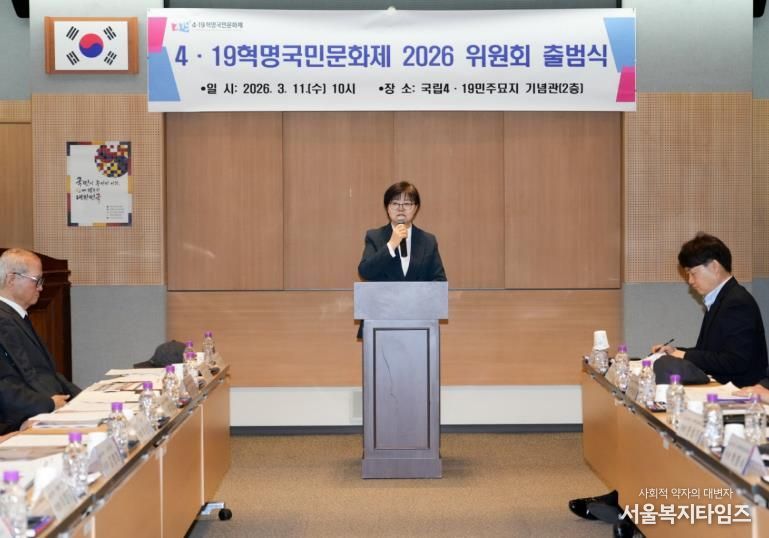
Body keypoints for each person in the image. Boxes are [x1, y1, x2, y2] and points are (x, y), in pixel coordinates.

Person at [651, 232, 768, 387]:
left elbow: (736, 361)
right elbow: (708, 352)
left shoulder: (737, 302)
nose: (690, 281)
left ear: (714, 267)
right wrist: (675, 351)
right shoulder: (721, 298)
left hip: (741, 393)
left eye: (693, 273)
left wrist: (684, 355)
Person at [0, 248, 81, 431]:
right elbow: (8, 384)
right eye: (37, 280)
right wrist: (49, 404)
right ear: (11, 279)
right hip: (23, 419)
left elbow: (47, 373)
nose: (41, 288)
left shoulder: (15, 316)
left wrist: (83, 399)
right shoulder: (3, 321)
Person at [358, 181, 446, 283]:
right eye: (395, 203)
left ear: (416, 208)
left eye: (407, 204)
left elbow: (440, 281)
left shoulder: (428, 241)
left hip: (417, 294)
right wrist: (391, 246)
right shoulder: (374, 237)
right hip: (385, 294)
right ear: (387, 208)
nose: (401, 208)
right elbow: (365, 272)